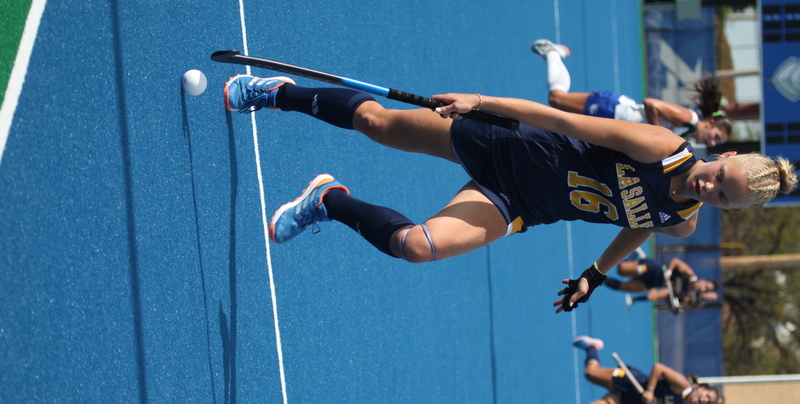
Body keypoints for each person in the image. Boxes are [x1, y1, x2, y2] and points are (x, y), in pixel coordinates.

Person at [223, 72, 796, 313]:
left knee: (418, 247)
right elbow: (559, 119)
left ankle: (327, 201)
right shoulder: (658, 145)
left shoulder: (684, 219)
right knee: (378, 124)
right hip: (509, 145)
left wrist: (596, 274)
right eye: (721, 176)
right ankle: (278, 94)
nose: (711, 186)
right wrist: (481, 103)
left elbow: (642, 223)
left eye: (723, 196)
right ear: (722, 157)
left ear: (724, 210)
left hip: (522, 206)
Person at [531, 39, 732, 147]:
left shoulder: (686, 135)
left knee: (559, 113)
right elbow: (651, 103)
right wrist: (658, 132)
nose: (711, 142)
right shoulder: (688, 119)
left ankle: (554, 54)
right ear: (711, 122)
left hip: (614, 123)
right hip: (614, 110)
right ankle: (554, 54)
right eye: (715, 136)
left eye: (716, 142)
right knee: (557, 100)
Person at [538, 336, 723, 404]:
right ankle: (592, 347)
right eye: (707, 396)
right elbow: (658, 368)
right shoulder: (683, 386)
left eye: (707, 402)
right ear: (702, 388)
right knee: (590, 374)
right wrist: (650, 390)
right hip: (630, 382)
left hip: (631, 403)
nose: (703, 400)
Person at [606, 255, 719, 311]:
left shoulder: (688, 294)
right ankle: (636, 256)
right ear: (703, 280)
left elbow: (683, 306)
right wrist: (669, 272)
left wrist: (681, 304)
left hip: (652, 283)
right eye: (705, 286)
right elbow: (675, 261)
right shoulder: (690, 275)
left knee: (623, 287)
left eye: (706, 290)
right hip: (652, 270)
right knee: (621, 270)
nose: (703, 289)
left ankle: (598, 279)